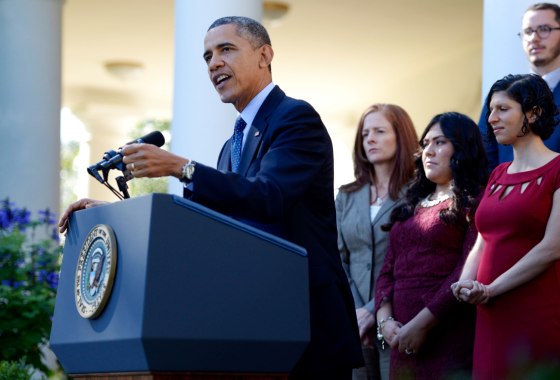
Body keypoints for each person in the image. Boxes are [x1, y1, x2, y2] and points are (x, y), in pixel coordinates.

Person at [59, 16, 363, 378]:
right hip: (250, 328)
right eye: (207, 57)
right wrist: (116, 218)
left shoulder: (295, 119)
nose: (214, 63)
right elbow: (204, 229)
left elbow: (269, 197)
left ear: (264, 55)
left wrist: (182, 167)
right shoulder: (228, 147)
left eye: (226, 49)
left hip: (303, 323)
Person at [452, 74, 560, 379]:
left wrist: (490, 289)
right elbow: (483, 239)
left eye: (502, 108)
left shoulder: (557, 169)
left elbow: (553, 247)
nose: (491, 118)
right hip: (489, 311)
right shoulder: (498, 173)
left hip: (535, 311)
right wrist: (465, 282)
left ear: (533, 113)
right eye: (490, 109)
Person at [375, 112, 488, 380]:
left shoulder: (474, 202)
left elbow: (465, 270)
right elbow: (387, 271)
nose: (429, 151)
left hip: (447, 336)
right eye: (425, 144)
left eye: (439, 143)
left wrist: (422, 324)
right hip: (400, 340)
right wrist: (385, 322)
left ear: (461, 147)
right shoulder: (409, 205)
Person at [335, 104, 418, 380]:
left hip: (400, 320)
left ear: (401, 137)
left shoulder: (417, 195)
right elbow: (337, 259)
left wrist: (372, 311)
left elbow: (413, 262)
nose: (369, 139)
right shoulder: (346, 196)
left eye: (379, 131)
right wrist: (358, 311)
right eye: (365, 133)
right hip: (354, 326)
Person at [479, 2, 560, 171]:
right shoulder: (500, 96)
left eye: (544, 29)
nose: (534, 38)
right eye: (528, 31)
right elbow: (484, 155)